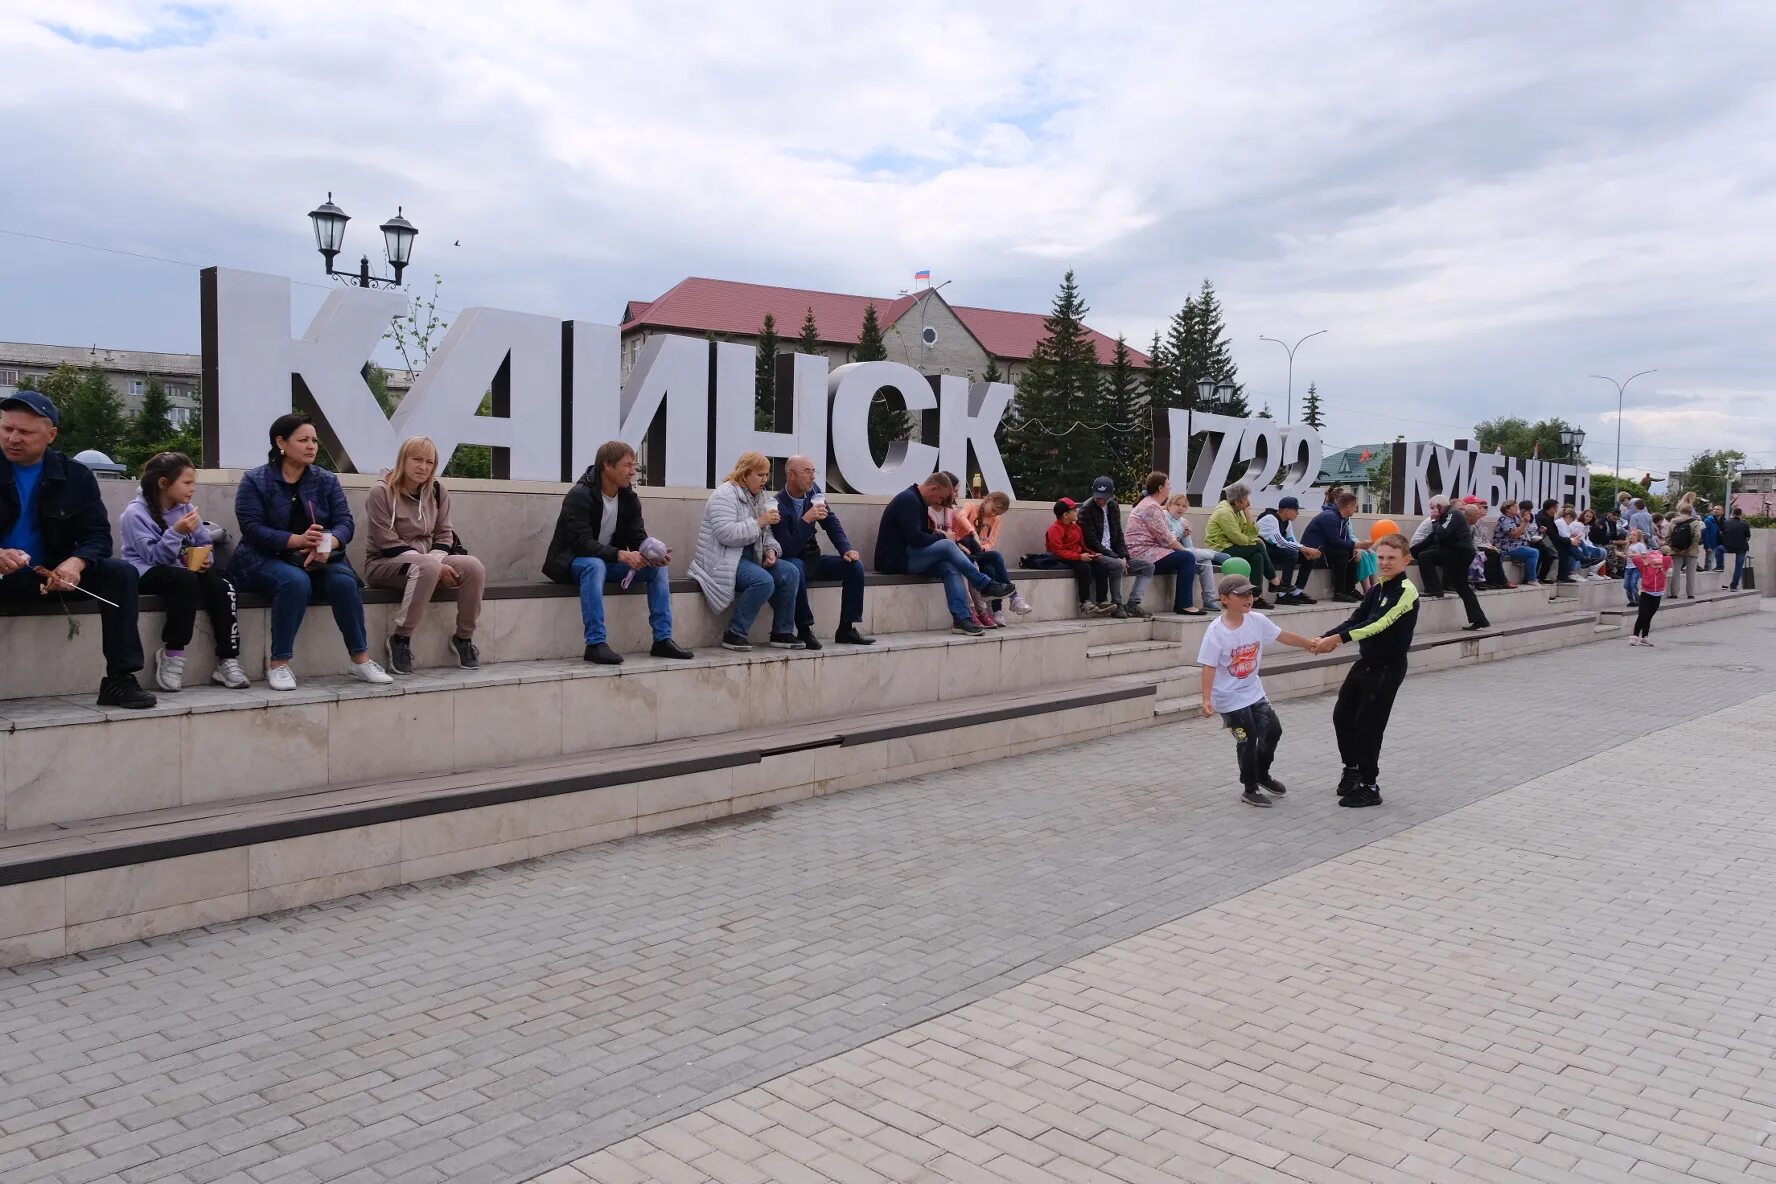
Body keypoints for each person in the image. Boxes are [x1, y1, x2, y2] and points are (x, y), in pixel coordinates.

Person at [0, 391, 156, 707]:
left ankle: (120, 680)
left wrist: (77, 562)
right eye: (6, 429)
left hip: (52, 575)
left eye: (25, 432)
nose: (13, 438)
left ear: (51, 435)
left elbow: (98, 534)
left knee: (120, 573)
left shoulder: (76, 476)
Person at [229, 414, 392, 691]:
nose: (311, 446)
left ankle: (360, 659)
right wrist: (298, 540)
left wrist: (325, 545)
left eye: (314, 440)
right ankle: (279, 664)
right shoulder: (255, 480)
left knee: (344, 582)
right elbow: (252, 528)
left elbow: (345, 523)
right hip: (263, 558)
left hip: (318, 558)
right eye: (303, 440)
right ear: (281, 442)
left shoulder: (325, 480)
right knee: (294, 581)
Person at [543, 439, 693, 665]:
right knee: (595, 564)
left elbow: (637, 536)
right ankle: (595, 644)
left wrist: (651, 553)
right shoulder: (579, 495)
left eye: (634, 465)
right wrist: (622, 555)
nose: (633, 471)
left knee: (656, 570)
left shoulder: (629, 498)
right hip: (571, 562)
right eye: (628, 465)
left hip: (607, 562)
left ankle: (662, 639)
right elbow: (581, 544)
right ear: (608, 466)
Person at [119, 451, 249, 691]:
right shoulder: (134, 514)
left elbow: (203, 540)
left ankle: (227, 659)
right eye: (187, 483)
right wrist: (176, 532)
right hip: (145, 572)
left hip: (181, 569)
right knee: (184, 580)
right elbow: (154, 557)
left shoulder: (186, 508)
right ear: (163, 483)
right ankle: (173, 654)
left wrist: (206, 558)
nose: (193, 489)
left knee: (221, 585)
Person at [1197, 572, 1322, 809]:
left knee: (1273, 730)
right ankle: (1250, 787)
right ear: (1224, 599)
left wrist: (1309, 644)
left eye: (1251, 594)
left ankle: (1262, 774)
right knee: (1248, 738)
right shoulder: (1216, 631)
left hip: (1253, 691)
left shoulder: (1257, 620)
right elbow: (1208, 666)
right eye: (1241, 595)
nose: (1249, 598)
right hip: (1229, 698)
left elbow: (1282, 636)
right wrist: (1206, 699)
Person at [363, 435, 486, 675]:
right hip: (384, 563)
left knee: (473, 567)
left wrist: (437, 560)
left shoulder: (438, 490)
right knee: (427, 567)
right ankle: (401, 638)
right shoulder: (381, 492)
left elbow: (444, 534)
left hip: (429, 561)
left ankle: (463, 638)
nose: (423, 467)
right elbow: (385, 542)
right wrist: (432, 564)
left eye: (429, 462)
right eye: (417, 459)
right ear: (403, 460)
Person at [1317, 532, 1419, 808]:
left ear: (1406, 560)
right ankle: (1352, 769)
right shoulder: (1376, 589)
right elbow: (1357, 618)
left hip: (1388, 666)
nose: (1384, 563)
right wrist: (1322, 638)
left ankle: (1369, 785)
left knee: (1368, 725)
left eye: (1391, 558)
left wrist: (1337, 640)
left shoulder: (1406, 592)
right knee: (1342, 716)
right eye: (1381, 557)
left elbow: (1378, 624)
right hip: (1366, 663)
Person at [874, 471, 1014, 636]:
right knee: (947, 545)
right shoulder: (909, 500)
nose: (939, 502)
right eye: (940, 498)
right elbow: (916, 539)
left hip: (909, 556)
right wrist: (942, 535)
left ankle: (961, 619)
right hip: (895, 560)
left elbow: (923, 534)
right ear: (933, 489)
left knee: (949, 567)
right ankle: (984, 585)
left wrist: (940, 536)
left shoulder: (917, 500)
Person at [691, 451, 802, 652]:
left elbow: (766, 532)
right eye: (760, 475)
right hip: (723, 559)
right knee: (763, 580)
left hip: (752, 558)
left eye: (766, 475)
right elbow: (726, 533)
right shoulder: (724, 494)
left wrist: (771, 551)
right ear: (745, 473)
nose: (765, 480)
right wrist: (759, 522)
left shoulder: (759, 496)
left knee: (790, 572)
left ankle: (782, 633)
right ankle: (734, 633)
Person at [770, 455, 875, 648]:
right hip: (793, 560)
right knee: (796, 568)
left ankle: (846, 628)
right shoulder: (777, 505)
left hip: (813, 559)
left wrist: (846, 549)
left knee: (854, 567)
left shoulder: (814, 493)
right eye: (807, 472)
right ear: (791, 475)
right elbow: (788, 548)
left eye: (813, 471)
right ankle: (804, 630)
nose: (812, 477)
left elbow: (831, 522)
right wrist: (806, 520)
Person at [951, 489, 1033, 625]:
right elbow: (960, 517)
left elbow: (991, 541)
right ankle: (1013, 598)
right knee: (996, 556)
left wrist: (982, 547)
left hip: (979, 552)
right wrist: (973, 533)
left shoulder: (996, 520)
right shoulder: (971, 507)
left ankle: (997, 612)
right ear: (988, 500)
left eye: (997, 513)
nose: (993, 514)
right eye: (993, 510)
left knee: (990, 569)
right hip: (964, 548)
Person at [1125, 472, 1203, 615]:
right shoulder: (1151, 507)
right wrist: (1185, 550)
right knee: (1187, 558)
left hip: (1149, 550)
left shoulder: (1150, 504)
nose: (1170, 487)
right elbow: (1166, 539)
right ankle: (1184, 604)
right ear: (1160, 488)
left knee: (1186, 558)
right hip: (1142, 552)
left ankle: (1187, 602)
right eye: (1168, 485)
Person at [1045, 497, 1122, 615]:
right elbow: (1058, 552)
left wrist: (1092, 554)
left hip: (1077, 556)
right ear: (1065, 515)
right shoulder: (1054, 529)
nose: (1077, 512)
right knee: (1084, 568)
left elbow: (1082, 546)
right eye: (1074, 510)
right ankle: (1085, 602)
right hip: (1062, 558)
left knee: (1100, 566)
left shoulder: (1076, 527)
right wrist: (1079, 557)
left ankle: (1102, 600)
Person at [1078, 476, 1142, 617]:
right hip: (1096, 553)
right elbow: (1091, 542)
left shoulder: (1113, 506)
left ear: (1111, 495)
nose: (1101, 501)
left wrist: (1124, 555)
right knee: (1117, 565)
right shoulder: (1086, 509)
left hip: (1114, 553)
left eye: (1104, 498)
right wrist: (1116, 558)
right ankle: (1117, 604)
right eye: (1098, 497)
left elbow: (1118, 534)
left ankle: (1133, 604)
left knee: (1148, 567)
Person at [1204, 482, 1275, 608]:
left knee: (1257, 556)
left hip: (1234, 548)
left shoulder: (1239, 510)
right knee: (1258, 547)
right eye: (1246, 499)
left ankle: (1256, 597)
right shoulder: (1224, 513)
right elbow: (1237, 538)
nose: (1248, 502)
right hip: (1220, 551)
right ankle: (1273, 579)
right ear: (1237, 501)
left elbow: (1251, 533)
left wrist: (1248, 515)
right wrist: (1254, 541)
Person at [1426, 497, 1489, 630]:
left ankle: (1434, 589)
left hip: (1460, 554)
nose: (1432, 511)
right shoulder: (1450, 515)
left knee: (1426, 557)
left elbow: (1442, 534)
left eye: (1433, 508)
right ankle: (1479, 619)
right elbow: (1438, 537)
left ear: (1438, 506)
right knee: (1462, 587)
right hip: (1460, 553)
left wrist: (1434, 519)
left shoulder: (1451, 514)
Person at [1256, 495, 1321, 604]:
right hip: (1264, 551)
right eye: (1296, 510)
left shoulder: (1287, 522)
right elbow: (1280, 542)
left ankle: (1296, 592)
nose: (1298, 513)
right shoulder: (1270, 519)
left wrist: (1304, 550)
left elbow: (1291, 541)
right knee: (1292, 554)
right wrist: (1303, 548)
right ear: (1286, 510)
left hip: (1277, 551)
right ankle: (1282, 594)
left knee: (1308, 557)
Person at [1164, 493, 1222, 612]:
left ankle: (1209, 600)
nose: (1180, 508)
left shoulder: (1183, 521)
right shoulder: (1164, 517)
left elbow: (1189, 547)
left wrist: (1186, 535)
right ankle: (1215, 554)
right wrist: (1181, 530)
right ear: (1169, 505)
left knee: (1205, 561)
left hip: (1183, 553)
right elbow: (1169, 539)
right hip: (1167, 552)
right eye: (1177, 504)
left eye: (1184, 506)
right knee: (1200, 556)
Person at [1301, 491, 1361, 602]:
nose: (1355, 510)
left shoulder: (1342, 518)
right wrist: (1356, 545)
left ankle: (1350, 590)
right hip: (1315, 551)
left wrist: (1354, 548)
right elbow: (1335, 541)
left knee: (1351, 553)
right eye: (1355, 507)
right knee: (1343, 554)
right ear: (1349, 506)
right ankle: (1339, 593)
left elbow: (1345, 537)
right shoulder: (1329, 517)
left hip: (1326, 549)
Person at [1627, 536, 1672, 646]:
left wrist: (1660, 553)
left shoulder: (1664, 565)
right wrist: (1645, 557)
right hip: (1646, 592)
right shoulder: (1645, 567)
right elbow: (1636, 559)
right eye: (1655, 564)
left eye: (1659, 564)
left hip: (1658, 593)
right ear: (1650, 563)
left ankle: (1645, 637)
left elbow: (1669, 557)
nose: (1657, 566)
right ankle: (1635, 636)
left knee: (1649, 616)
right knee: (1642, 615)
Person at [1665, 494, 1703, 599]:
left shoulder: (1673, 522)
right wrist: (1689, 548)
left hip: (1675, 550)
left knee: (1675, 572)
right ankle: (1690, 594)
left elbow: (1667, 536)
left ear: (1680, 511)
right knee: (1691, 573)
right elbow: (1697, 536)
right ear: (1691, 512)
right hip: (1691, 551)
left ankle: (1674, 593)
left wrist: (1673, 547)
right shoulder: (1695, 522)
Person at [1534, 498, 1576, 583]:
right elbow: (1553, 536)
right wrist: (1569, 540)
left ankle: (1560, 575)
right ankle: (1546, 577)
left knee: (1564, 549)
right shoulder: (1545, 518)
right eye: (1555, 508)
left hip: (1546, 540)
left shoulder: (1545, 515)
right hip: (1543, 542)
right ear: (1550, 508)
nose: (1557, 510)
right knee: (1559, 551)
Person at [1720, 508, 1752, 590]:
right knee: (1738, 567)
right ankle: (1734, 586)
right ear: (1741, 514)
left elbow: (1722, 533)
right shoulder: (1745, 524)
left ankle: (1720, 566)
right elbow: (1748, 536)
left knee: (1718, 549)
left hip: (1728, 546)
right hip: (1741, 548)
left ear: (1732, 513)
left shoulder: (1726, 522)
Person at [1701, 504, 1722, 571]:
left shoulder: (1721, 521)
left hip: (1719, 545)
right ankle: (1707, 574)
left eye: (1718, 509)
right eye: (1714, 509)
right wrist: (1708, 546)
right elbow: (1705, 534)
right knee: (1709, 562)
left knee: (1715, 562)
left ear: (1722, 512)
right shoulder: (1708, 520)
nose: (1715, 510)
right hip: (1712, 545)